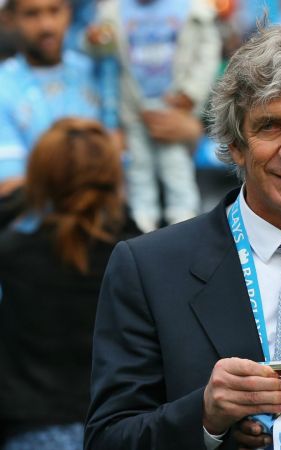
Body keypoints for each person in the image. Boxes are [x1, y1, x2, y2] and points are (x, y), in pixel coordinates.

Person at [84, 21, 281, 450]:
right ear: (235, 144)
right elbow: (108, 440)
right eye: (270, 126)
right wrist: (205, 416)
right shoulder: (150, 268)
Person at [0, 118, 138, 449]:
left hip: (33, 428)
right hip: (118, 428)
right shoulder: (136, 256)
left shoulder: (14, 252)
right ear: (111, 178)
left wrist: (26, 192)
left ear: (41, 178)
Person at [86, 0, 221, 232]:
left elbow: (208, 53)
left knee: (175, 164)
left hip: (174, 108)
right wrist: (94, 41)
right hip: (133, 106)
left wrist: (192, 93)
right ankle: (142, 220)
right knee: (138, 166)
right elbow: (102, 54)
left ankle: (184, 218)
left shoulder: (192, 8)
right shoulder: (113, 10)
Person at [0, 0, 107, 223]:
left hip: (104, 235)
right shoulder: (4, 87)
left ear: (69, 12)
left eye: (54, 10)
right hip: (35, 242)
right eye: (32, 14)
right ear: (9, 19)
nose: (46, 25)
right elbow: (10, 188)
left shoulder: (94, 70)